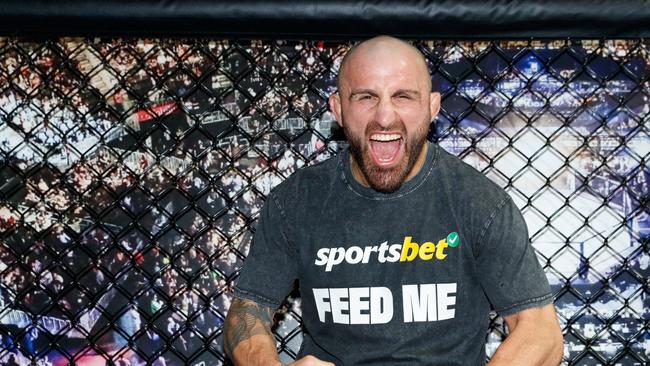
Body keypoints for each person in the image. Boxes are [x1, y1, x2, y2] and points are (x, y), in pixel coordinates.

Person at [223, 36, 564, 365]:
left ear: (432, 107)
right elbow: (246, 312)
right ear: (338, 110)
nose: (385, 116)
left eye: (403, 96)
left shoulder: (479, 202)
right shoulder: (297, 200)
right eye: (366, 97)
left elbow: (540, 331)